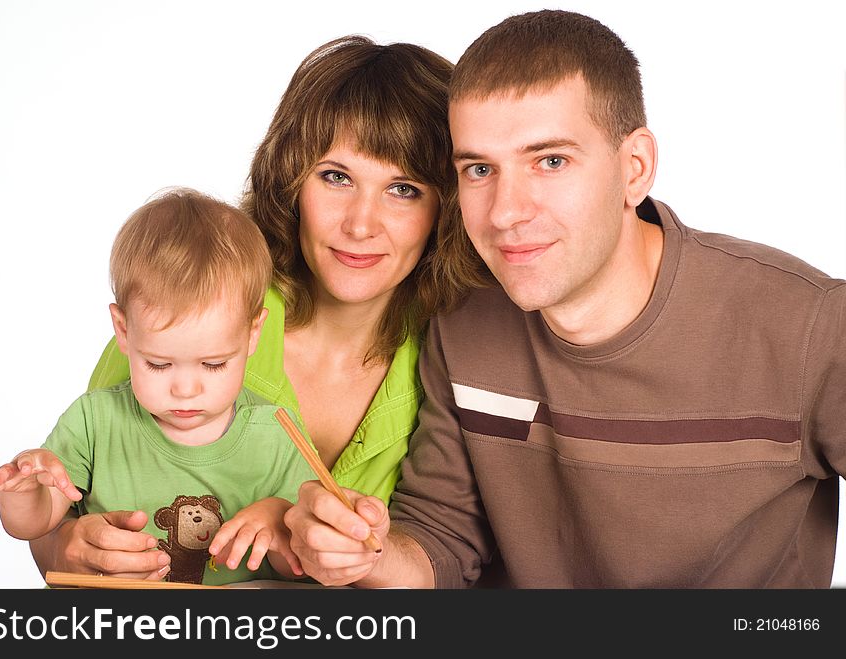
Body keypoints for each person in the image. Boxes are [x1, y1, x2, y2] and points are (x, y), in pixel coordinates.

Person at [284, 9, 846, 589]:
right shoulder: (460, 321)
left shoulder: (811, 324)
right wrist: (363, 554)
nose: (505, 212)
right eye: (479, 169)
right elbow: (441, 539)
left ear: (635, 169)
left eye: (550, 161)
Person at [26, 35, 487, 580]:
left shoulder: (455, 352)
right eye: (336, 177)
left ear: (448, 205)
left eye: (404, 189)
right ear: (292, 178)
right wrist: (65, 548)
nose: (361, 224)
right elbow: (58, 522)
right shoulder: (193, 308)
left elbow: (449, 557)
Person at [0, 188, 317, 585]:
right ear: (123, 332)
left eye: (214, 364)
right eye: (159, 364)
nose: (186, 389)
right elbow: (32, 526)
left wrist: (279, 522)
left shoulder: (277, 432)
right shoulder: (94, 421)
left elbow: (304, 567)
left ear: (252, 334)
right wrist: (24, 492)